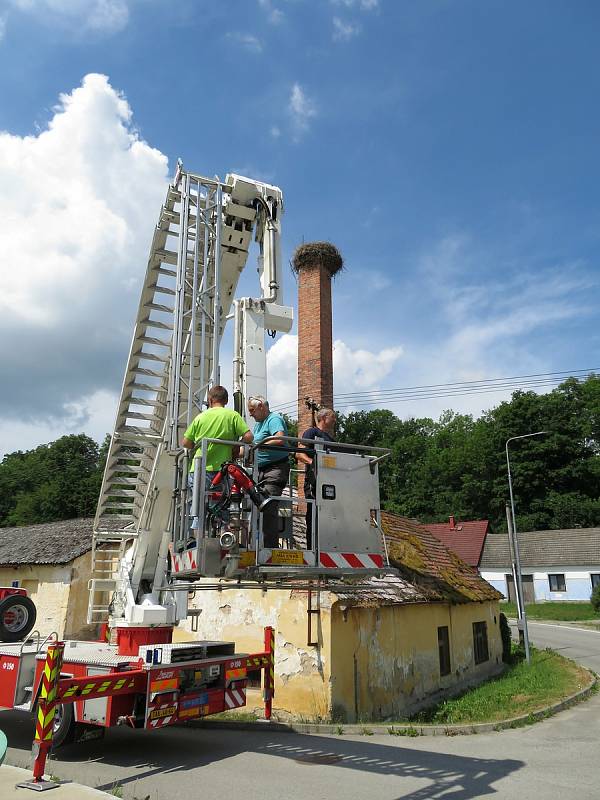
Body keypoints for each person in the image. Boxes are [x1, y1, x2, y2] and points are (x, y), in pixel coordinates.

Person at [182, 385, 253, 527]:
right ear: (226, 400)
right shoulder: (232, 416)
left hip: (198, 469)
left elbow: (186, 442)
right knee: (221, 506)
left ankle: (196, 541)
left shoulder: (201, 417)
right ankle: (223, 539)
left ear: (209, 399)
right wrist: (235, 445)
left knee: (198, 508)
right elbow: (249, 437)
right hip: (221, 471)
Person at [248, 395, 289, 549]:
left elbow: (280, 439)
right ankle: (256, 547)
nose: (250, 414)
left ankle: (270, 549)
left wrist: (259, 445)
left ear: (261, 407)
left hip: (275, 469)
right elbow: (252, 445)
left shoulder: (274, 419)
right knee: (256, 506)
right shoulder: (258, 425)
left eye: (252, 410)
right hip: (261, 471)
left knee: (267, 506)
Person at [296, 408, 336, 550]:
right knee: (314, 513)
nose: (335, 420)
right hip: (314, 481)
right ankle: (312, 549)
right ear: (324, 418)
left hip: (330, 482)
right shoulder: (311, 432)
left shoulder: (331, 439)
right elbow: (299, 454)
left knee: (329, 515)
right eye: (333, 417)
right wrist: (313, 463)